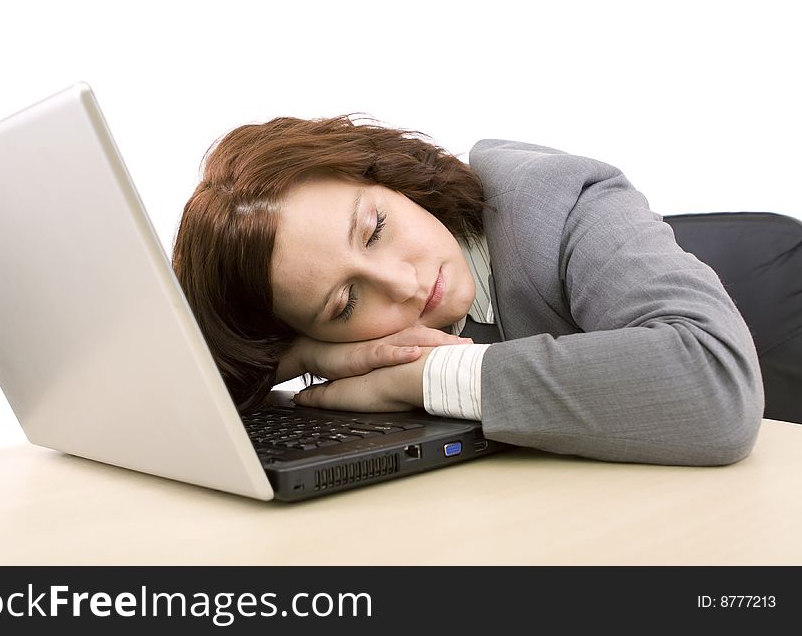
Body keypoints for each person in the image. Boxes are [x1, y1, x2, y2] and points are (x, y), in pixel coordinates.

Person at [171, 115, 763, 466]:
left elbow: (714, 383)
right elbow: (177, 404)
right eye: (346, 302)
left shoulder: (557, 198)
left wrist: (420, 377)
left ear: (390, 177)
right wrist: (300, 359)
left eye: (375, 229)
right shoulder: (324, 344)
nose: (405, 284)